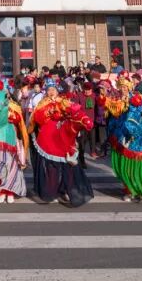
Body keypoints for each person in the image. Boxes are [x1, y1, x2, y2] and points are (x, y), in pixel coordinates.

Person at [29, 77, 94, 206]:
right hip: (48, 137)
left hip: (63, 136)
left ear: (57, 91)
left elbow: (74, 112)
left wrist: (67, 111)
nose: (51, 92)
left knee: (67, 166)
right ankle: (52, 191)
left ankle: (66, 189)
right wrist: (50, 111)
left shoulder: (63, 101)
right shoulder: (42, 103)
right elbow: (38, 118)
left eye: (53, 89)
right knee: (51, 168)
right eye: (49, 90)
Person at [106, 92, 142, 201]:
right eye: (122, 87)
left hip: (141, 140)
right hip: (126, 140)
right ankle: (130, 191)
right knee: (128, 170)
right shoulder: (120, 103)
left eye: (125, 87)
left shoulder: (141, 106)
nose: (123, 89)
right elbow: (117, 121)